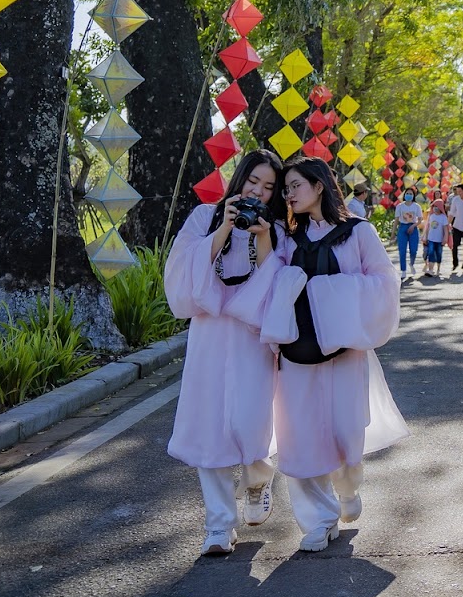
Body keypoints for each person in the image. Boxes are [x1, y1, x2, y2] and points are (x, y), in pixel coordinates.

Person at [263, 158, 408, 552]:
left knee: (346, 433)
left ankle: (347, 487)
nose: (288, 195)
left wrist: (327, 293)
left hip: (345, 351)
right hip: (296, 351)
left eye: (294, 186)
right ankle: (317, 520)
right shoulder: (285, 238)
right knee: (298, 432)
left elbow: (383, 282)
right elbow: (268, 284)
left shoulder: (358, 232)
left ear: (319, 186)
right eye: (286, 189)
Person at [163, 148, 286, 556]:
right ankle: (218, 524)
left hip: (252, 335)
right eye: (254, 182)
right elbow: (181, 272)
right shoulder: (204, 216)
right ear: (240, 178)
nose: (259, 192)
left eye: (269, 187)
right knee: (209, 423)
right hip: (210, 333)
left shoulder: (277, 227)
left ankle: (257, 479)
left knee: (252, 418)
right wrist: (223, 230)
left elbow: (280, 282)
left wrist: (264, 237)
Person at [393, 190, 423, 281]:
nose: (408, 195)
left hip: (413, 228)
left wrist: (413, 226)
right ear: (404, 195)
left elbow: (420, 220)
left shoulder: (416, 206)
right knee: (402, 251)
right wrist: (393, 233)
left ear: (413, 195)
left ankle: (412, 264)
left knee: (413, 250)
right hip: (402, 228)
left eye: (410, 194)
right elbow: (396, 220)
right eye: (407, 193)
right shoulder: (400, 206)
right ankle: (403, 271)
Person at [422, 198, 450, 278]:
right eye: (433, 206)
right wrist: (426, 237)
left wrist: (445, 238)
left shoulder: (443, 217)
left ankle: (438, 268)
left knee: (439, 254)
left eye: (437, 206)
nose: (435, 208)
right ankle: (431, 270)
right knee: (430, 253)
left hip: (439, 240)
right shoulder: (431, 216)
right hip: (431, 239)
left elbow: (446, 229)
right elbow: (427, 228)